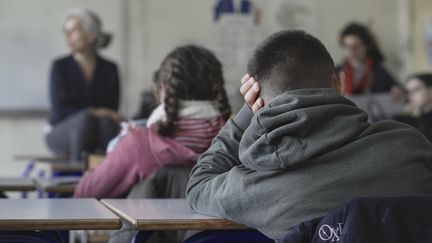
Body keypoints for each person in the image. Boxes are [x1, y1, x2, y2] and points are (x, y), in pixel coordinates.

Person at [186, 30, 432, 240]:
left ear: (258, 98)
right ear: (338, 84)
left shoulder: (255, 187)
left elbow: (198, 185)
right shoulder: (410, 146)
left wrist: (244, 116)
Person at [74, 45, 232, 198]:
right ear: (218, 89)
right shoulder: (237, 142)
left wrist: (120, 145)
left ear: (163, 90)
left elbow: (85, 192)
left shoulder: (140, 144)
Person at [45, 8, 121, 162]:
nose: (68, 35)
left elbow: (112, 112)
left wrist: (98, 114)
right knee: (85, 120)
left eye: (74, 30)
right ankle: (79, 180)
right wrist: (94, 111)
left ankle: (108, 176)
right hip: (60, 131)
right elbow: (60, 112)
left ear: (91, 36)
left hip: (98, 129)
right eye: (66, 30)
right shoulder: (59, 67)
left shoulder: (110, 69)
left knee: (106, 123)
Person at [337, 22, 400, 95]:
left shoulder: (378, 71)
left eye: (355, 47)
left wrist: (396, 90)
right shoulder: (337, 72)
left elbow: (398, 89)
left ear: (366, 46)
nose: (351, 51)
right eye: (347, 47)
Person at [395, 73, 432, 142]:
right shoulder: (418, 120)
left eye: (415, 90)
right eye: (409, 92)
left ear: (430, 90)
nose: (409, 96)